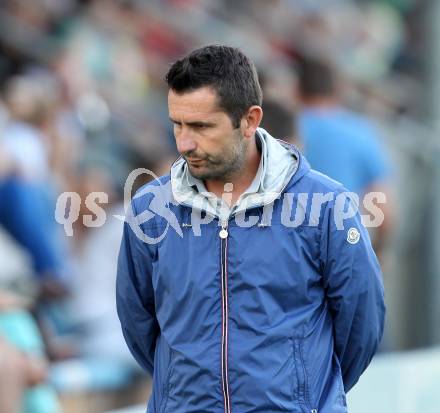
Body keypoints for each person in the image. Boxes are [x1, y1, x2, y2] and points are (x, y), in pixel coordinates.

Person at [116, 45, 385, 413]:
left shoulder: (328, 206)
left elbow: (361, 325)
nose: (184, 143)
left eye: (201, 126)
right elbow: (139, 324)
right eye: (177, 124)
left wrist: (306, 394)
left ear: (250, 120)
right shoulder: (150, 209)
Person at [296, 56, 393, 258]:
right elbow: (384, 211)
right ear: (337, 90)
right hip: (343, 248)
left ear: (297, 90)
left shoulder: (282, 131)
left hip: (292, 250)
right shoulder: (361, 132)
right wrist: (378, 255)